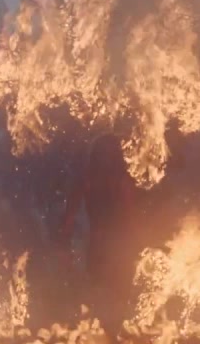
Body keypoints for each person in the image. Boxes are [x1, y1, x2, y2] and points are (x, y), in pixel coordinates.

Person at [56, 134, 146, 330]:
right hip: (118, 245)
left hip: (100, 244)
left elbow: (69, 216)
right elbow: (132, 216)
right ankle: (111, 334)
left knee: (102, 292)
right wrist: (142, 244)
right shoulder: (121, 181)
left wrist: (64, 243)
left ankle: (101, 333)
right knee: (116, 294)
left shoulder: (88, 181)